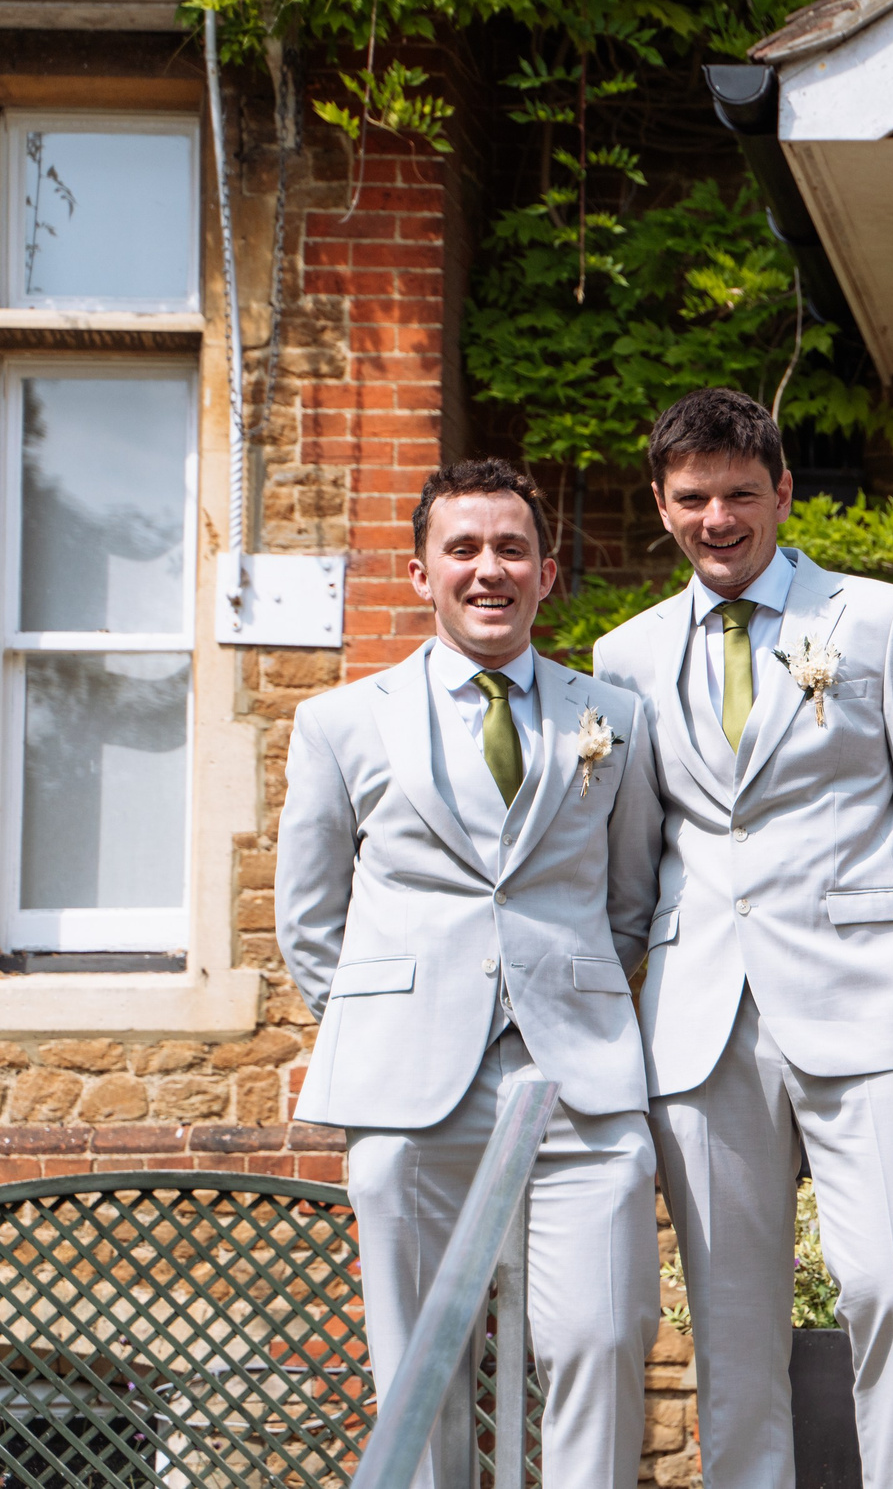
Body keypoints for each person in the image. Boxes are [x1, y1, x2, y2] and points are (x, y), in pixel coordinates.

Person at [592, 389, 893, 1489]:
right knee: (733, 1321)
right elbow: (634, 856)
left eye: (740, 494)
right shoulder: (623, 656)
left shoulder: (877, 620)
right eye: (692, 498)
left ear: (784, 494)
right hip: (701, 1023)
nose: (718, 518)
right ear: (663, 504)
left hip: (876, 1002)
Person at [275, 459, 662, 1487]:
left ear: (546, 572)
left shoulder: (613, 720)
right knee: (421, 1371)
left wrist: (557, 996)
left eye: (510, 549)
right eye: (463, 549)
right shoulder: (341, 723)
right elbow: (310, 919)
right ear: (419, 572)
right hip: (408, 1097)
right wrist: (390, 1020)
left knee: (605, 1337)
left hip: (579, 1083)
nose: (487, 569)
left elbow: (630, 903)